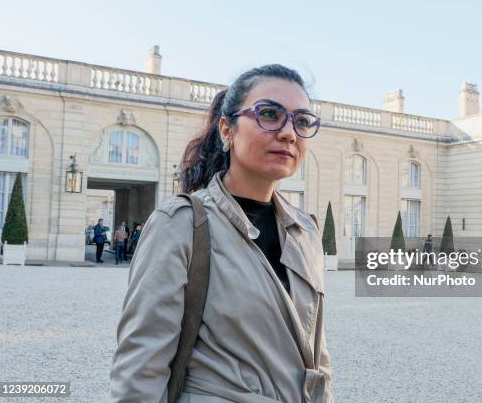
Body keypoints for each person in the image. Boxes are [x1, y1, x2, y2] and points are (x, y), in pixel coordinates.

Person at [109, 64, 333, 402]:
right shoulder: (181, 224)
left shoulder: (305, 231)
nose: (289, 133)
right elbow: (140, 369)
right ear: (227, 130)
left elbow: (317, 356)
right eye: (269, 114)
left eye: (302, 121)